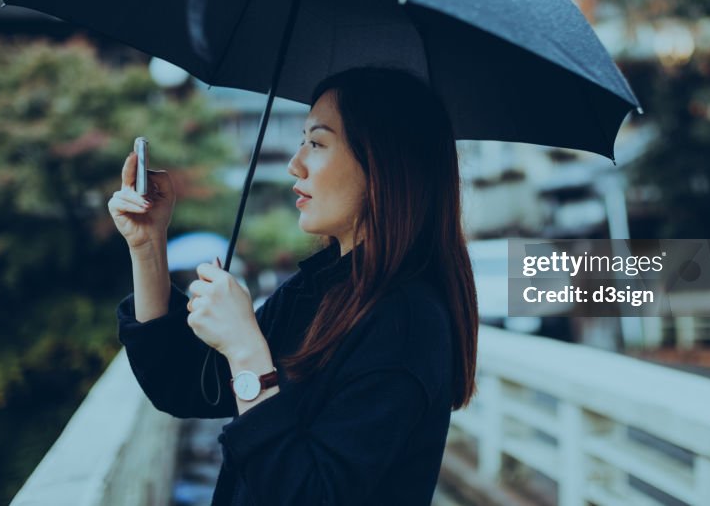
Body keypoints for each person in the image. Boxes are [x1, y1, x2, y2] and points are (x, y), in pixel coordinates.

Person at [108, 66, 479, 506]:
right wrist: (149, 245)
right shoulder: (319, 289)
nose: (294, 163)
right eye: (302, 139)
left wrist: (247, 351)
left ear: (381, 164)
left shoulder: (406, 322)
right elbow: (186, 384)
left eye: (317, 143)